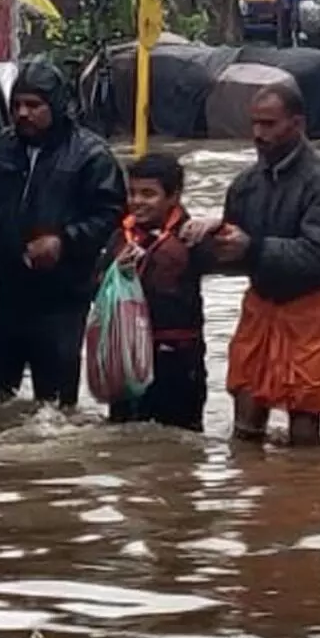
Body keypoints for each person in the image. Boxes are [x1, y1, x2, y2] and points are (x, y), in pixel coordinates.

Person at [182, 83, 320, 447]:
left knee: (305, 412)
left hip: (312, 308)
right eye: (255, 124)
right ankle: (248, 485)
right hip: (262, 302)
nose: (259, 134)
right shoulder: (245, 184)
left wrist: (253, 248)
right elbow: (235, 253)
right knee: (245, 400)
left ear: (297, 124)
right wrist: (197, 242)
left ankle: (304, 487)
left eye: (269, 124)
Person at [0, 58, 126, 409]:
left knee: (54, 411)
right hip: (4, 292)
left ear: (56, 106)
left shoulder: (91, 156)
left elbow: (111, 216)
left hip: (61, 299)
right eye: (17, 105)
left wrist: (65, 240)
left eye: (34, 105)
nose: (23, 113)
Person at [98, 153, 211, 432]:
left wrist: (216, 224)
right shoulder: (119, 237)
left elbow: (238, 257)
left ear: (174, 197)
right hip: (127, 358)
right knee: (123, 441)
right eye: (133, 193)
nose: (137, 201)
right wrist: (115, 272)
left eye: (148, 194)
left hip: (176, 360)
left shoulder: (192, 237)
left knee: (178, 446)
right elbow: (96, 287)